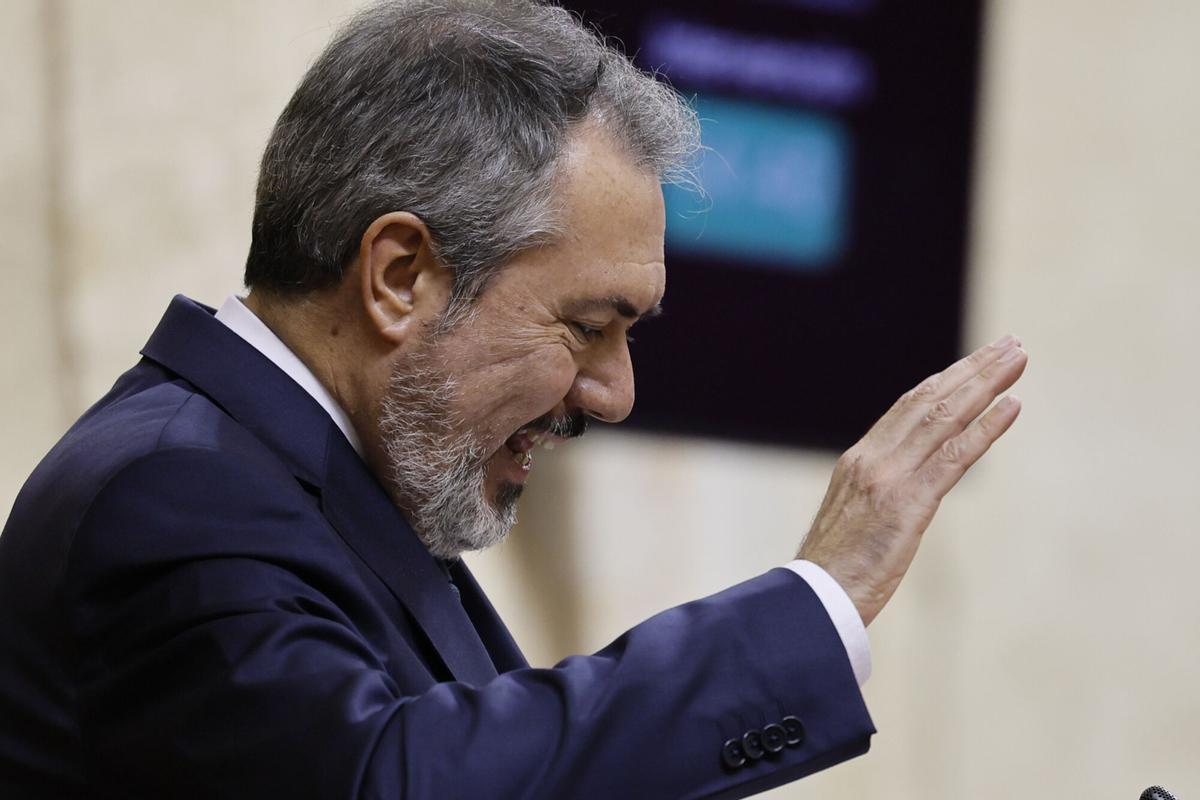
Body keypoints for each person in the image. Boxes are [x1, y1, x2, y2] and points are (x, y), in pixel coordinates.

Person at [0, 1, 1028, 797]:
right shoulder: (179, 493)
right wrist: (818, 595)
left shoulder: (316, 484)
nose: (616, 392)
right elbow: (393, 780)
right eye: (587, 326)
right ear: (400, 275)